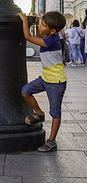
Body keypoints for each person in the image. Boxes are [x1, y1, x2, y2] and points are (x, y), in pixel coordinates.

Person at [18, 11, 67, 152]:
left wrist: (24, 20)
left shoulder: (51, 41)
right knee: (26, 91)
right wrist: (38, 20)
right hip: (45, 78)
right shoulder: (48, 36)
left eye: (43, 25)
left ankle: (51, 141)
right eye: (41, 24)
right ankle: (39, 114)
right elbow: (39, 35)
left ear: (52, 30)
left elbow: (28, 37)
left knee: (55, 112)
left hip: (56, 81)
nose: (40, 26)